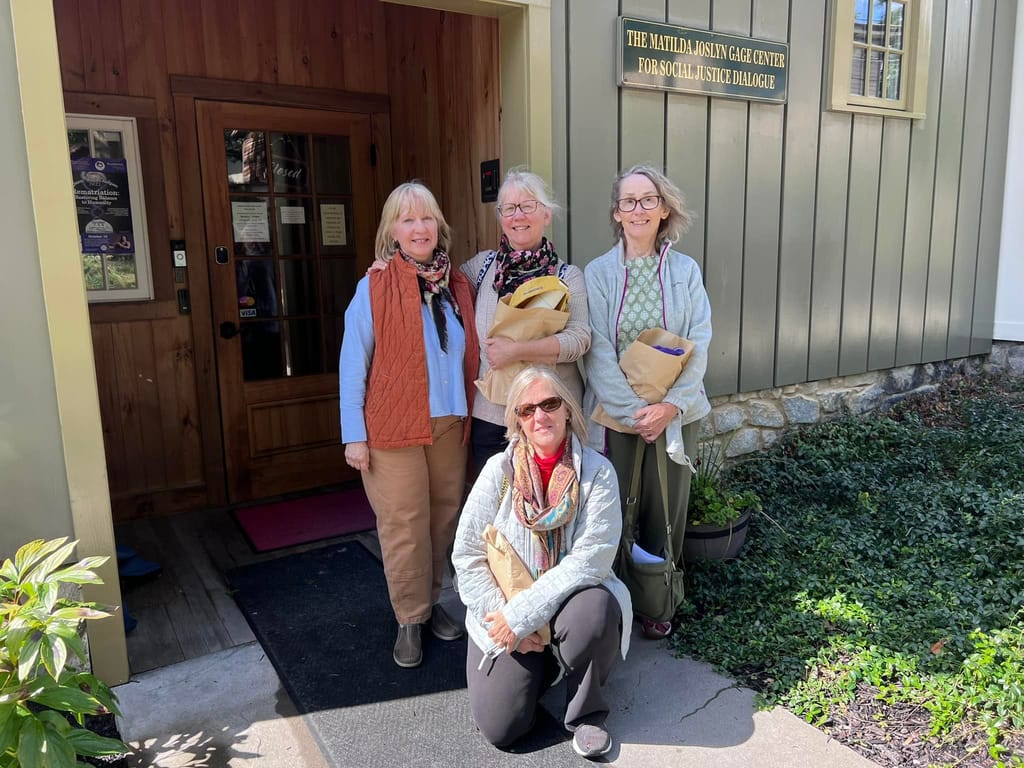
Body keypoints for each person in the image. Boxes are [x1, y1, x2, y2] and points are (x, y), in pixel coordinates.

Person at [452, 366, 631, 760]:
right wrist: (504, 618)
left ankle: (586, 714)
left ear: (568, 410)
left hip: (564, 607)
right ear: (516, 420)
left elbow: (591, 560)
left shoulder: (598, 475)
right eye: (527, 409)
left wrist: (522, 615)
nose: (540, 416)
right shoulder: (497, 472)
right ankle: (548, 664)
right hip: (509, 613)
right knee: (502, 729)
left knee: (596, 609)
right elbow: (466, 554)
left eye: (549, 404)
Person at [339, 182, 479, 669]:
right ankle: (409, 618)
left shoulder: (459, 285)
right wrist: (352, 433)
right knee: (404, 525)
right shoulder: (375, 284)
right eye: (407, 219)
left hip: (449, 420)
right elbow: (353, 360)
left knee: (443, 518)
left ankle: (432, 601)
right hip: (393, 429)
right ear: (392, 230)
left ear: (438, 225)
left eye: (426, 218)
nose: (419, 228)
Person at [582, 165, 712, 640]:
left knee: (666, 508)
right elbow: (596, 348)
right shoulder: (597, 274)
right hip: (619, 415)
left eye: (647, 200)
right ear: (616, 213)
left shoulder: (685, 271)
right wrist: (632, 413)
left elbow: (700, 339)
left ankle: (659, 600)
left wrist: (670, 407)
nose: (638, 210)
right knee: (615, 506)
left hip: (676, 414)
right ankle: (615, 602)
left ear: (663, 209)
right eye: (628, 202)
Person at [459, 169, 591, 473]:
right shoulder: (481, 268)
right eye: (509, 208)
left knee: (553, 505)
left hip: (551, 415)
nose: (518, 215)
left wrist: (516, 351)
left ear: (546, 214)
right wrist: (389, 262)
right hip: (492, 417)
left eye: (528, 206)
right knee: (499, 506)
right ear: (501, 216)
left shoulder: (567, 276)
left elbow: (580, 338)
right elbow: (440, 289)